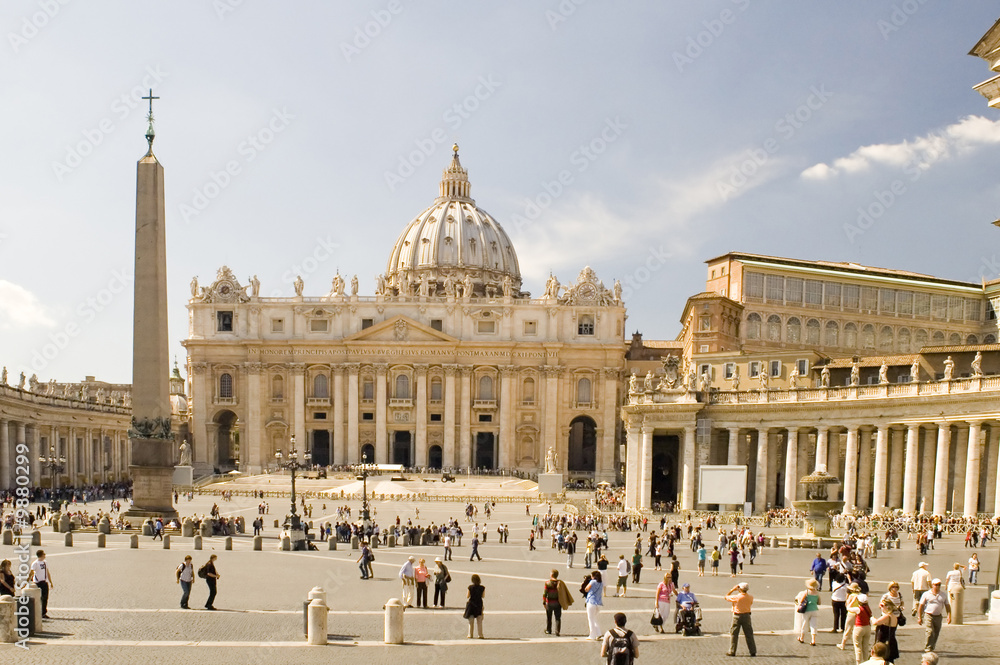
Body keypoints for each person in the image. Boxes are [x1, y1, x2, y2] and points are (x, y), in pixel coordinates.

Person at [917, 578, 951, 653]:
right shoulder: (926, 594)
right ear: (932, 585)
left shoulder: (943, 595)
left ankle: (932, 646)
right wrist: (919, 617)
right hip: (928, 614)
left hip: (938, 616)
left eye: (939, 585)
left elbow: (947, 606)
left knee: (936, 632)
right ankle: (927, 647)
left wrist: (949, 616)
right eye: (936, 585)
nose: (937, 586)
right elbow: (921, 606)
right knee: (930, 631)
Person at [725, 582, 756, 657]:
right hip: (747, 616)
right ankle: (753, 651)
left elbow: (726, 597)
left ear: (740, 589)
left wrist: (732, 589)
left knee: (734, 634)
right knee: (749, 634)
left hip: (737, 616)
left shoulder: (737, 597)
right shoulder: (750, 597)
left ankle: (732, 651)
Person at [543, 569, 573, 635]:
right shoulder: (560, 583)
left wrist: (544, 602)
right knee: (558, 617)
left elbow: (545, 593)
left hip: (550, 602)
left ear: (551, 575)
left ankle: (548, 630)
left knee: (549, 617)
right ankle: (557, 631)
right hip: (557, 602)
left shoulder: (547, 583)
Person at [871, 598, 900, 663]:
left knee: (881, 660)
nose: (880, 607)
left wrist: (872, 618)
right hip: (891, 641)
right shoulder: (894, 616)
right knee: (890, 661)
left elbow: (875, 622)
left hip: (884, 641)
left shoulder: (887, 616)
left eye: (882, 605)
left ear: (887, 606)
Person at [28, 550, 53, 618]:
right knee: (38, 598)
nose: (45, 555)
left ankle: (43, 612)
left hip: (44, 582)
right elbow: (32, 572)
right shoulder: (35, 563)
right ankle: (37, 612)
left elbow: (47, 572)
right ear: (41, 555)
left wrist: (50, 581)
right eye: (44, 554)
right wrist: (28, 580)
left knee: (45, 598)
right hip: (37, 582)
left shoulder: (45, 562)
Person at [796, 578, 821, 645]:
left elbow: (801, 601)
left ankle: (802, 638)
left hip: (807, 610)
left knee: (804, 623)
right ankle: (813, 640)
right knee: (813, 625)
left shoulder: (806, 592)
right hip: (814, 610)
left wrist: (799, 605)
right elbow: (819, 602)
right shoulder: (817, 593)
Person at [839, 582, 862, 650]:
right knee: (857, 630)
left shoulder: (851, 596)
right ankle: (857, 644)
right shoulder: (860, 596)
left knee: (848, 629)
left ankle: (843, 644)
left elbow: (847, 605)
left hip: (851, 614)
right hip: (858, 614)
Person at [852, 594, 873, 664]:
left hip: (859, 627)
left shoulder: (858, 609)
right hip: (867, 627)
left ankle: (858, 662)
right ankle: (866, 661)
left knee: (858, 646)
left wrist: (853, 600)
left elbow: (848, 607)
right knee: (865, 646)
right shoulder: (868, 608)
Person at [464, 574, 485, 639]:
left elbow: (467, 596)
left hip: (471, 604)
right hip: (479, 604)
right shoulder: (482, 588)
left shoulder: (470, 587)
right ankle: (480, 635)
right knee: (479, 620)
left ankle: (470, 634)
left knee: (471, 621)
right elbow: (483, 596)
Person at [585, 571, 605, 640]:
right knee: (594, 618)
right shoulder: (601, 583)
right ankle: (598, 633)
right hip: (598, 603)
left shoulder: (592, 582)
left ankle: (592, 635)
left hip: (591, 602)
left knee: (590, 619)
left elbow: (586, 589)